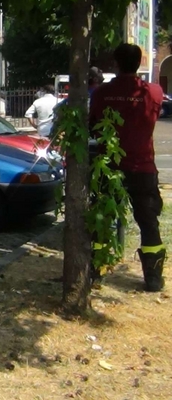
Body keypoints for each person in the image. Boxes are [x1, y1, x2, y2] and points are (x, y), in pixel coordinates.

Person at [89, 43, 165, 292]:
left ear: (115, 63)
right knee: (148, 222)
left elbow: (93, 127)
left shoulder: (102, 93)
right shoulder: (153, 92)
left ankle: (96, 272)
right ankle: (153, 278)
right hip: (143, 166)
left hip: (110, 166)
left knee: (102, 219)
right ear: (139, 62)